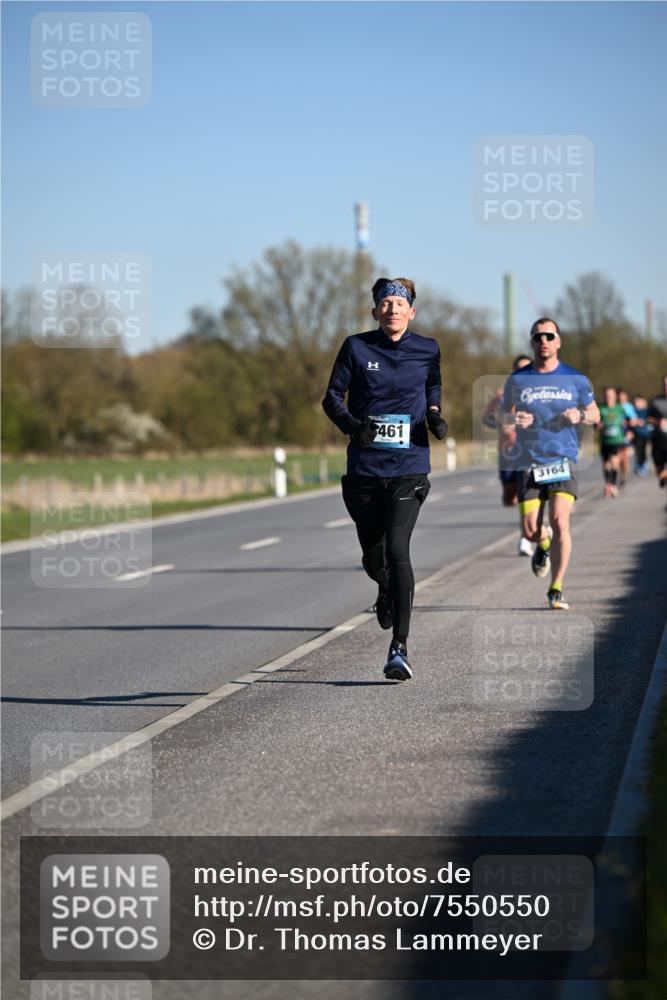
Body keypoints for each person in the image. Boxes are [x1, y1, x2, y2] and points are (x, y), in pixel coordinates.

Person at [322, 276, 446, 681]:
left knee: (398, 548)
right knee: (374, 558)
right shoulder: (356, 347)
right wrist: (355, 428)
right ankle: (383, 587)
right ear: (375, 312)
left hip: (409, 468)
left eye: (399, 303)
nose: (392, 308)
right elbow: (331, 398)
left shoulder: (427, 349)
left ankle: (400, 648)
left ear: (411, 311)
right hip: (364, 470)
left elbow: (433, 384)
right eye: (385, 303)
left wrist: (433, 413)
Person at [502, 318, 599, 610]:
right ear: (532, 343)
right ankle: (542, 545)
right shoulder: (518, 379)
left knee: (560, 520)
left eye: (549, 336)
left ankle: (556, 588)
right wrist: (513, 420)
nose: (543, 341)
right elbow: (501, 416)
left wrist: (580, 416)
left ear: (558, 341)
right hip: (528, 461)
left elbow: (596, 414)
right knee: (531, 530)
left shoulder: (576, 379)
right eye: (537, 336)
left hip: (563, 459)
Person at [481, 354, 537, 555]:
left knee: (525, 495)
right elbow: (486, 418)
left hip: (529, 452)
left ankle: (526, 537)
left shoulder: (539, 394)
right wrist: (499, 421)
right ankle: (533, 529)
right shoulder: (502, 394)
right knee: (510, 498)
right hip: (507, 452)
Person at [597, 386, 626, 498]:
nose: (608, 397)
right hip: (605, 440)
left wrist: (627, 430)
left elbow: (627, 421)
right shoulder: (601, 408)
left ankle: (612, 485)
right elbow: (596, 422)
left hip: (616, 440)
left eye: (611, 395)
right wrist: (598, 425)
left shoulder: (620, 408)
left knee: (614, 462)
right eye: (607, 395)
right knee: (605, 464)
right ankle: (608, 484)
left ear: (615, 396)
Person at [648, 375, 667, 488]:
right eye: (664, 384)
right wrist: (658, 422)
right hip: (658, 440)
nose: (666, 386)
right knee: (659, 469)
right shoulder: (655, 401)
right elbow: (648, 418)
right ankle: (663, 476)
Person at [617, 388, 639, 486]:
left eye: (623, 395)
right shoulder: (615, 406)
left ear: (626, 396)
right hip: (616, 433)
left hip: (626, 432)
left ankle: (624, 475)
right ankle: (619, 472)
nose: (621, 397)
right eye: (619, 395)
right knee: (618, 455)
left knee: (624, 455)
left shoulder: (629, 407)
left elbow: (634, 420)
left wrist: (630, 429)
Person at [631, 395, 651, 476]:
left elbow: (650, 420)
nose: (637, 403)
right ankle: (639, 465)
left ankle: (643, 464)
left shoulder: (646, 411)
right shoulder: (633, 411)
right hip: (636, 434)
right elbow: (630, 421)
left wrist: (644, 421)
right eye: (636, 401)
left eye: (639, 401)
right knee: (638, 450)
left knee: (643, 450)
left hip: (645, 434)